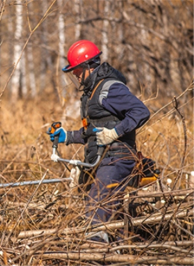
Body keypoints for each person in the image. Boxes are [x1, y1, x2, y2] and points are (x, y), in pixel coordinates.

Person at [48, 40, 150, 241]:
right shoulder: (92, 93)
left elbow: (141, 112)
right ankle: (121, 253)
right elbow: (93, 132)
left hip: (116, 159)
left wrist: (115, 133)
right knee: (115, 223)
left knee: (96, 216)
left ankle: (95, 255)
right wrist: (67, 136)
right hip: (102, 160)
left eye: (77, 71)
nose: (75, 76)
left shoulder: (110, 89)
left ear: (88, 66)